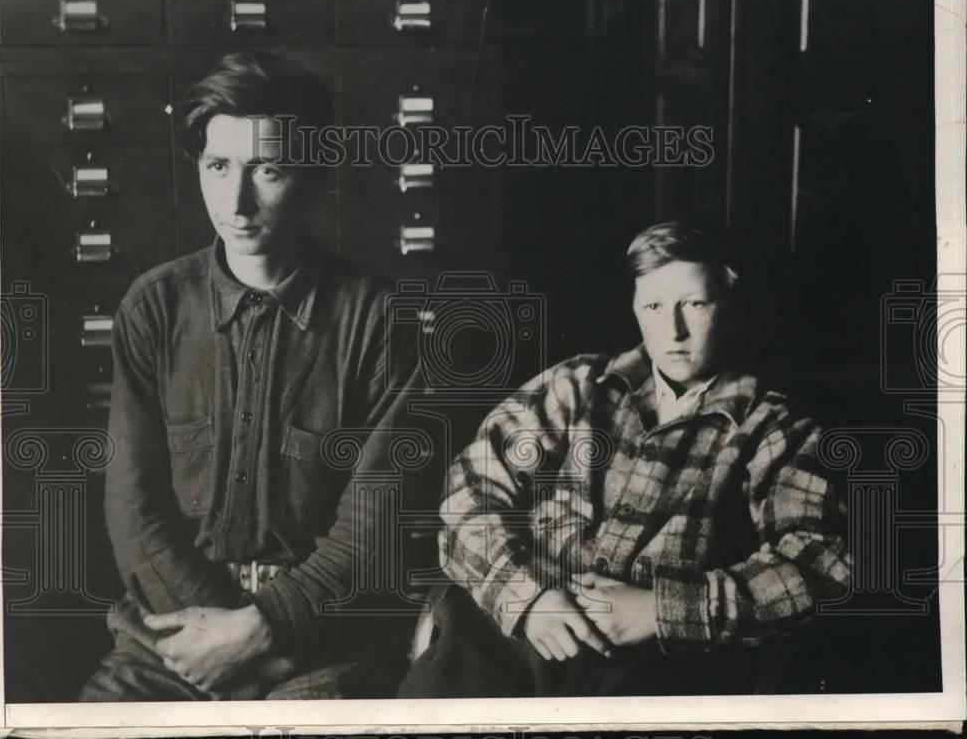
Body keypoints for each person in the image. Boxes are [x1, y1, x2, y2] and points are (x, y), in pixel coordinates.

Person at [80, 51, 422, 701]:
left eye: (268, 169)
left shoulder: (379, 318)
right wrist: (224, 639)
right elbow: (133, 509)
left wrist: (267, 630)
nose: (236, 201)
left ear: (314, 176)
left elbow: (375, 519)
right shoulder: (154, 306)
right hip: (172, 634)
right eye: (218, 167)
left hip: (323, 641)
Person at [399, 221, 851, 697]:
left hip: (657, 661)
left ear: (730, 303)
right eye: (653, 306)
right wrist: (526, 597)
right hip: (515, 626)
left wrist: (662, 608)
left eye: (694, 304)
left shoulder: (774, 425)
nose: (672, 330)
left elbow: (820, 565)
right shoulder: (576, 385)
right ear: (635, 307)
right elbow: (470, 488)